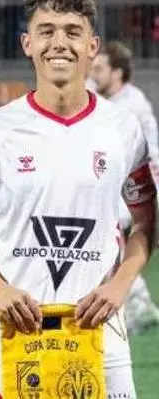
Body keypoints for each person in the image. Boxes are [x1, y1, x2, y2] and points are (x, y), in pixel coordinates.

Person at [0, 0, 156, 398]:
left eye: (72, 31)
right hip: (12, 332)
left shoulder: (123, 129)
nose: (59, 42)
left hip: (101, 333)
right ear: (27, 43)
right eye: (46, 31)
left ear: (92, 46)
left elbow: (147, 222)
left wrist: (120, 285)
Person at [89, 40, 159, 334]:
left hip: (141, 180)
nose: (92, 75)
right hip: (116, 182)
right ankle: (140, 303)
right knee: (106, 242)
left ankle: (134, 303)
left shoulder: (132, 104)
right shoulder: (100, 95)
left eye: (99, 69)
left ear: (116, 73)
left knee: (106, 238)